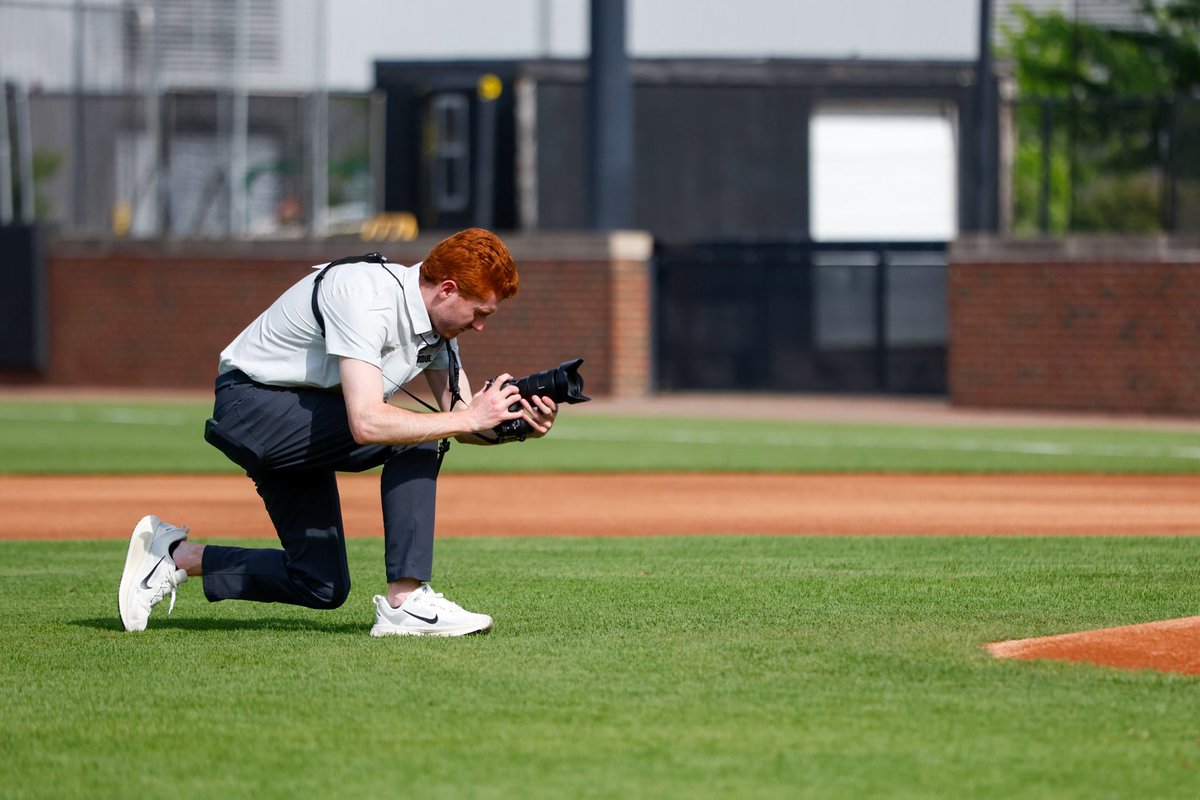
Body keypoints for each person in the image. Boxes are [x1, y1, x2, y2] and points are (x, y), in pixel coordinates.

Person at [117, 228, 557, 636]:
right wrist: (465, 419)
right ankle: (405, 602)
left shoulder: (442, 327)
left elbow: (461, 418)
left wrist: (519, 427)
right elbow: (369, 423)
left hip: (304, 420)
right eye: (479, 312)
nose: (480, 325)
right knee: (415, 433)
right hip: (251, 406)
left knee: (321, 584)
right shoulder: (365, 294)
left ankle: (173, 557)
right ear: (447, 289)